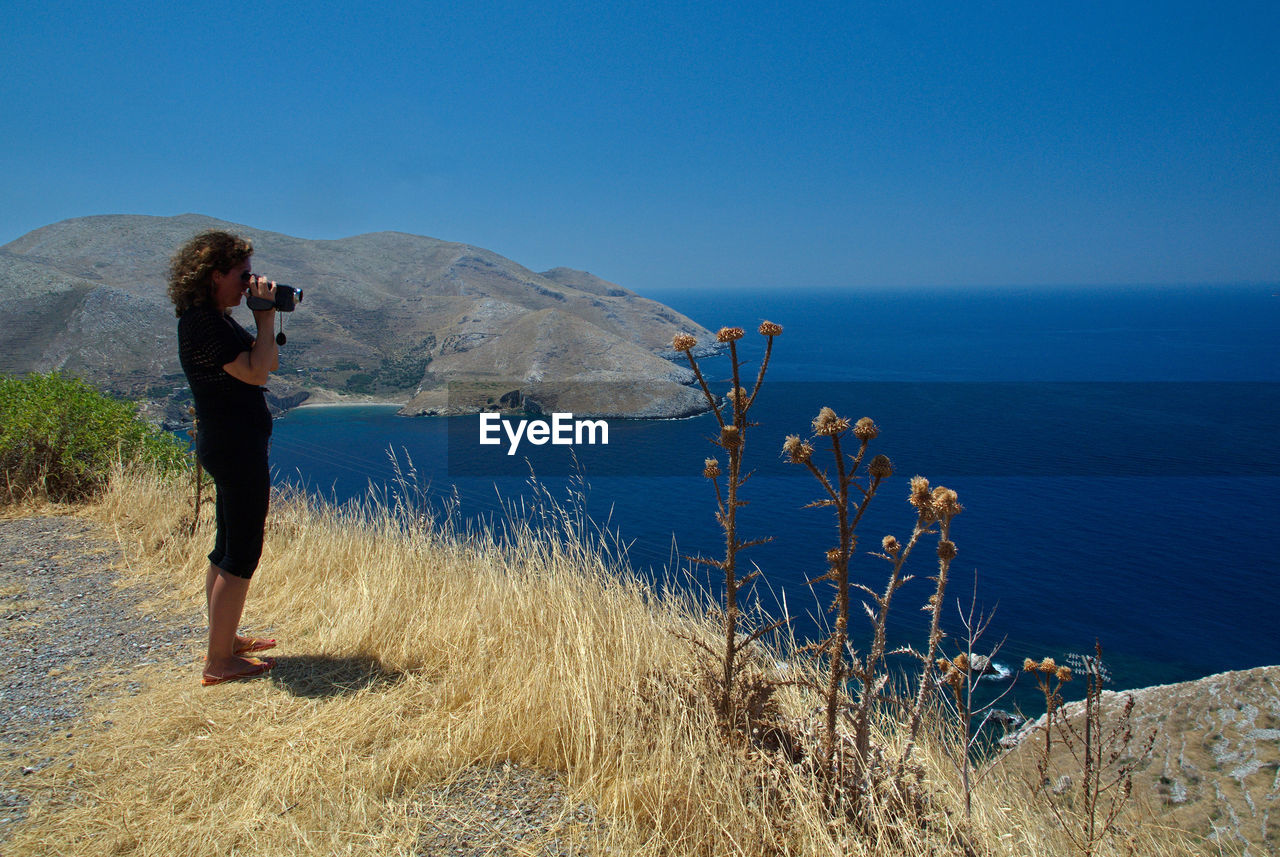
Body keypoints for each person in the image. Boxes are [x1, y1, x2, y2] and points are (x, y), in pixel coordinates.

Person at [169, 230, 281, 686]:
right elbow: (256, 371)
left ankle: (226, 640)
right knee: (242, 553)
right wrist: (266, 318)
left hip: (230, 442)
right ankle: (219, 662)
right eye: (242, 275)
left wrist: (262, 320)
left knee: (226, 547)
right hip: (234, 446)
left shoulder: (209, 317)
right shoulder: (206, 325)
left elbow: (265, 363)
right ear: (216, 275)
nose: (249, 282)